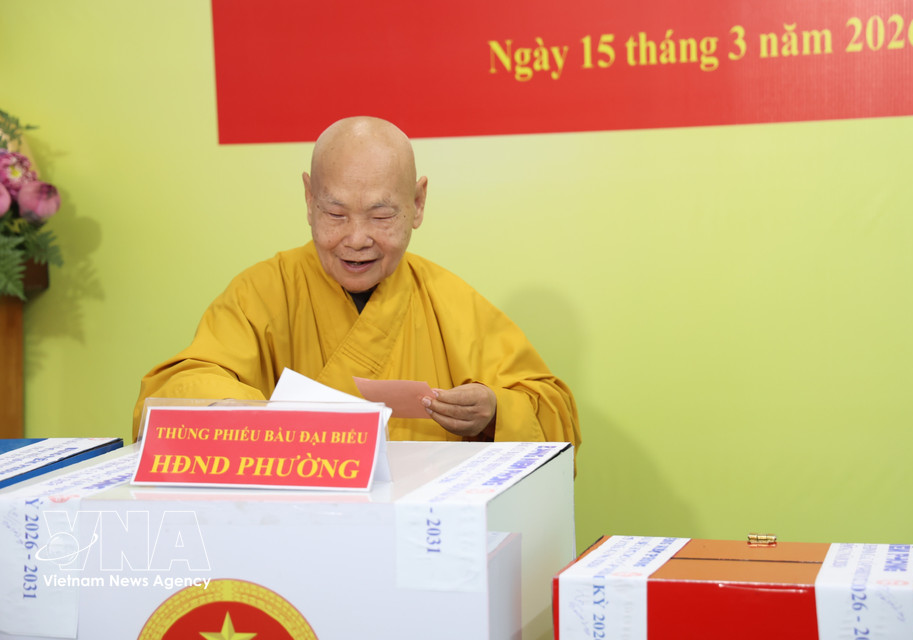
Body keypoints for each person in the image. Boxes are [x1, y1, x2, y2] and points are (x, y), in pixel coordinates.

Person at [132, 116, 580, 458]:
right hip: (287, 531)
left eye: (381, 216)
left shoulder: (450, 301)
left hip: (420, 536)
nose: (357, 238)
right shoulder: (264, 292)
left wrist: (495, 412)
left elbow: (550, 409)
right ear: (309, 200)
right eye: (335, 213)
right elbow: (176, 390)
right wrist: (266, 423)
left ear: (418, 203)